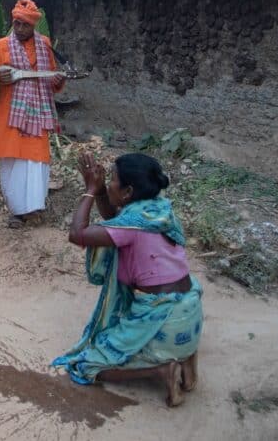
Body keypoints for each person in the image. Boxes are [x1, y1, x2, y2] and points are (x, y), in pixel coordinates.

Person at [54, 152, 202, 407]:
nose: (108, 183)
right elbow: (115, 221)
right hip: (189, 313)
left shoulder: (130, 227)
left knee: (86, 365)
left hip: (163, 317)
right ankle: (187, 360)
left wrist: (89, 190)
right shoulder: (157, 211)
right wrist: (102, 192)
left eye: (112, 179)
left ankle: (162, 371)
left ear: (128, 192)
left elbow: (77, 234)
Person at [0, 0, 65, 228]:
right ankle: (17, 212)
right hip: (11, 114)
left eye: (25, 25)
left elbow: (51, 79)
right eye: (16, 24)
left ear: (33, 26)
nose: (20, 29)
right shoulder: (0, 46)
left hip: (38, 114)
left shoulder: (45, 45)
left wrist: (58, 80)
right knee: (12, 162)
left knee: (36, 162)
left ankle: (34, 209)